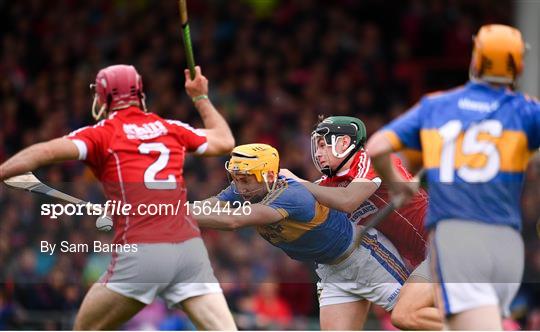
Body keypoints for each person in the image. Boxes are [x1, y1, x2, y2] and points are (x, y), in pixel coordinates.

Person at [0, 65, 237, 330]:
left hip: (143, 251)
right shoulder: (170, 128)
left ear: (104, 98)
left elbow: (43, 152)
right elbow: (225, 141)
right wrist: (200, 97)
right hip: (188, 250)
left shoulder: (101, 134)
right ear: (140, 95)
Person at [366, 24, 535, 330]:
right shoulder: (526, 111)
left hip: (458, 237)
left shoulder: (437, 106)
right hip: (504, 243)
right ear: (518, 67)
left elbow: (377, 147)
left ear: (475, 60)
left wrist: (396, 184)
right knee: (426, 318)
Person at [192, 143, 409, 330]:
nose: (240, 187)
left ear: (269, 175)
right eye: (236, 178)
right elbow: (207, 206)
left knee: (412, 316)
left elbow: (234, 220)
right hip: (330, 269)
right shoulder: (245, 188)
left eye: (246, 179)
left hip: (363, 257)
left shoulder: (291, 195)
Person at [281, 116, 440, 329]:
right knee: (412, 316)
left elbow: (348, 200)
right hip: (424, 257)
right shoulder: (327, 185)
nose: (317, 153)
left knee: (406, 315)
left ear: (345, 142)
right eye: (315, 146)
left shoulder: (372, 161)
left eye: (322, 145)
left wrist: (298, 183)